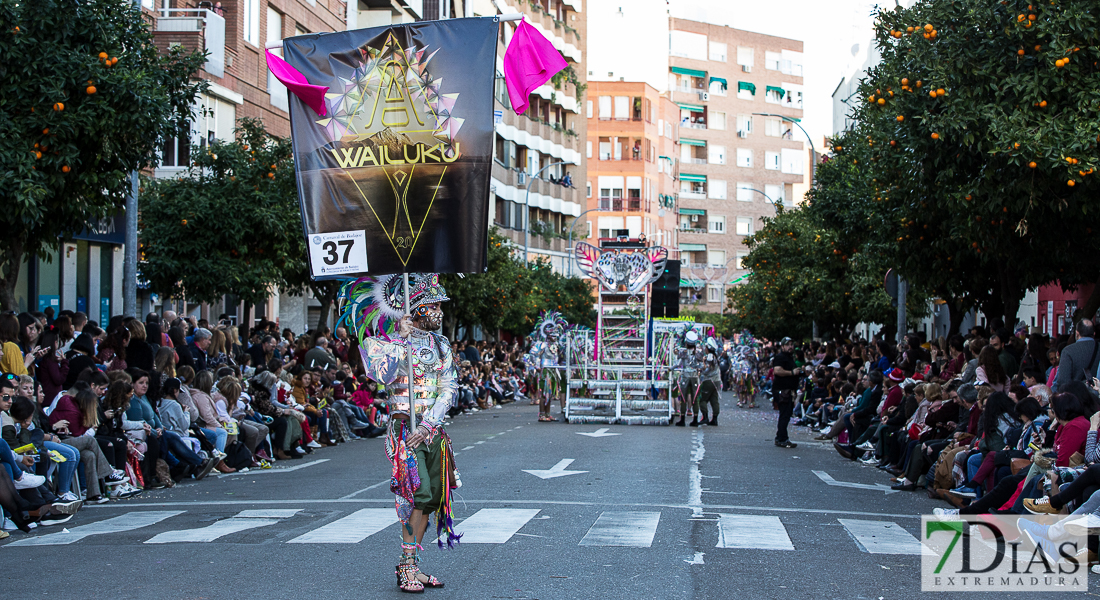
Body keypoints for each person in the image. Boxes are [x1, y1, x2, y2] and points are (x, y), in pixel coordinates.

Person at [357, 274, 460, 593]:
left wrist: (430, 424)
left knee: (431, 500)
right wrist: (400, 342)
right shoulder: (384, 343)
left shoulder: (441, 344)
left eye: (439, 306)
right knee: (418, 495)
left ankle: (412, 563)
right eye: (433, 306)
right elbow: (381, 377)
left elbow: (449, 386)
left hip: (432, 433)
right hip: (404, 432)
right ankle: (407, 565)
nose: (439, 312)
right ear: (415, 310)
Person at [772, 337, 802, 448]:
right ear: (783, 346)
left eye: (791, 344)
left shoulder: (790, 358)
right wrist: (792, 372)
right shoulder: (780, 357)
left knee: (786, 414)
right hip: (782, 390)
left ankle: (781, 436)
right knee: (784, 414)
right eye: (788, 344)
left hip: (788, 390)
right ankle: (781, 438)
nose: (790, 347)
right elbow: (777, 370)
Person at [1054, 320, 1099, 392]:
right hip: (1097, 397)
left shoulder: (1068, 351)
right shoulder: (1098, 348)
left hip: (1075, 398)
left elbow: (1063, 381)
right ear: (1094, 333)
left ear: (1077, 333)